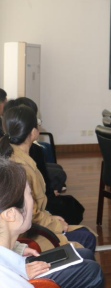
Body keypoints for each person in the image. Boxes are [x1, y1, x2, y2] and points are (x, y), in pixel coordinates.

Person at [0, 105, 97, 252]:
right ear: (33, 132)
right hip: (26, 237)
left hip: (26, 228)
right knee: (86, 237)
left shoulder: (13, 155)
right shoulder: (20, 167)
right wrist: (55, 225)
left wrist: (51, 217)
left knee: (83, 231)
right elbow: (29, 214)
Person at [0, 158, 104, 288]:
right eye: (30, 194)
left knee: (85, 254)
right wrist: (20, 273)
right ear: (10, 214)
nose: (33, 202)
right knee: (92, 271)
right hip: (20, 274)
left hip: (17, 263)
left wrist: (18, 249)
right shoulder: (9, 282)